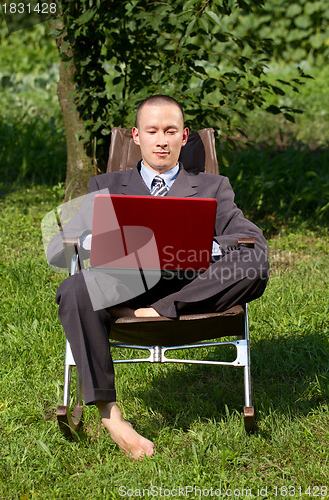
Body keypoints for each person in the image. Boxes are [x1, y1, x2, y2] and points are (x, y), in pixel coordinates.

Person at [50, 95, 269, 459]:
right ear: (137, 136)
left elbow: (251, 242)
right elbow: (61, 246)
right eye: (152, 131)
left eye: (170, 131)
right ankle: (111, 416)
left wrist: (204, 246)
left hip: (192, 286)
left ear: (184, 136)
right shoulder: (106, 184)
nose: (161, 140)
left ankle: (165, 308)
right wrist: (93, 239)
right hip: (126, 286)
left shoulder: (214, 187)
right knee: (75, 288)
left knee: (254, 265)